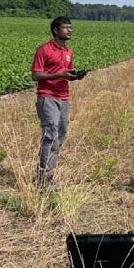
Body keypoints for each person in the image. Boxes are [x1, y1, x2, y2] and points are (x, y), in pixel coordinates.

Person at [31, 16, 85, 189]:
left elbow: (67, 74)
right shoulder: (44, 50)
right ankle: (43, 178)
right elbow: (36, 75)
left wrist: (76, 77)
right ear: (56, 30)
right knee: (50, 135)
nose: (70, 30)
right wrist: (59, 74)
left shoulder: (69, 52)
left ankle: (48, 174)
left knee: (60, 135)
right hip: (47, 97)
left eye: (71, 27)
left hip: (64, 97)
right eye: (66, 27)